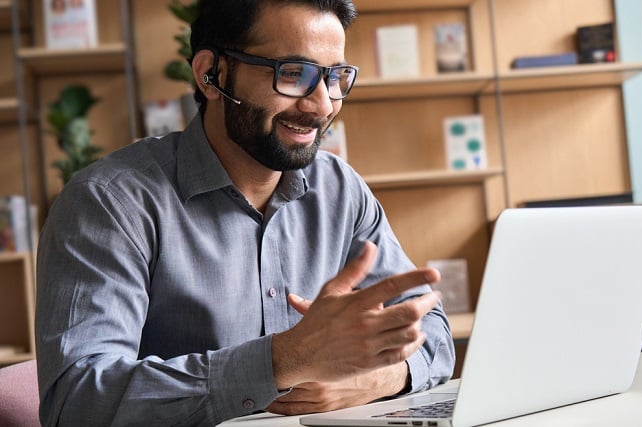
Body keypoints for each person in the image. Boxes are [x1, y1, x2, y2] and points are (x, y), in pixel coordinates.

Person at [34, 0, 455, 425]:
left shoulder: (339, 189)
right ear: (210, 75)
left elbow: (433, 333)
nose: (323, 105)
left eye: (334, 77)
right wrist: (286, 360)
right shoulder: (110, 202)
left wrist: (370, 381)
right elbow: (76, 403)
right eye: (293, 73)